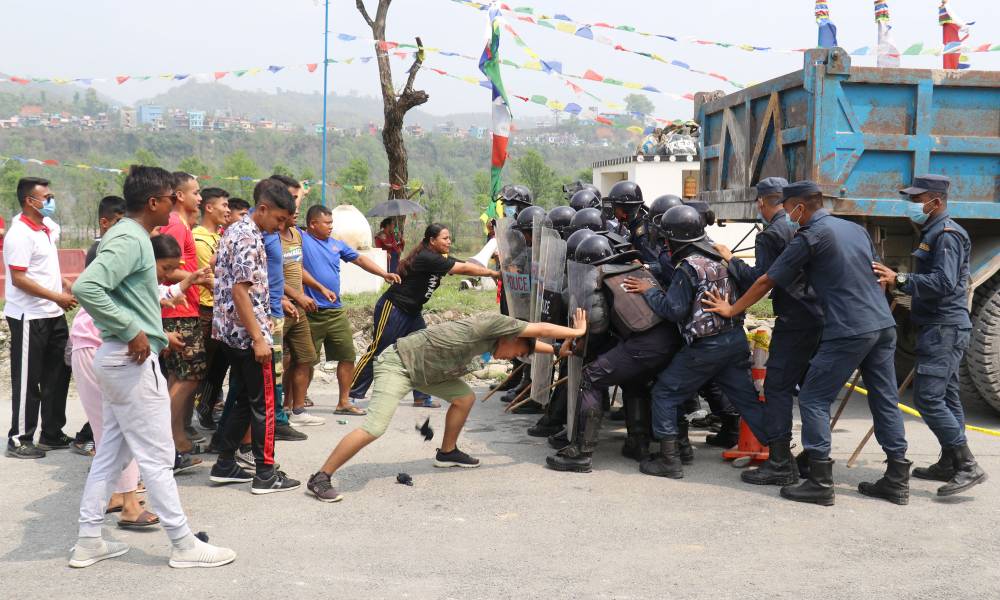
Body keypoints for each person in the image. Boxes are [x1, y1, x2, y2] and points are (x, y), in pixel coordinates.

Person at [703, 180, 910, 506]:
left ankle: (819, 480)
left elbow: (767, 279)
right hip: (882, 324)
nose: (787, 215)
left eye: (789, 209)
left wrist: (732, 308)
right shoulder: (854, 229)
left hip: (848, 328)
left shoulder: (811, 236)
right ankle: (897, 478)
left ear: (799, 207)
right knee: (884, 399)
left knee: (813, 397)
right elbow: (877, 276)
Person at [70, 165, 234, 568]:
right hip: (128, 359)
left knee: (111, 454)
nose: (179, 202)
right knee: (158, 456)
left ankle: (89, 540)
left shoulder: (136, 237)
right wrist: (131, 331)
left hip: (120, 359)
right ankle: (183, 544)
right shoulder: (129, 237)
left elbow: (137, 294)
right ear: (154, 202)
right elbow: (86, 287)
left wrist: (173, 292)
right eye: (173, 196)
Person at [306, 309, 589, 502]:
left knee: (464, 398)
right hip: (399, 364)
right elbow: (540, 329)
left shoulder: (497, 337)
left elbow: (530, 342)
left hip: (429, 373)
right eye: (517, 353)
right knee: (375, 427)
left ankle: (448, 451)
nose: (511, 358)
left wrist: (554, 350)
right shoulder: (493, 323)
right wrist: (576, 332)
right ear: (513, 336)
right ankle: (320, 478)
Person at [622, 205, 766, 480]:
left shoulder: (688, 267)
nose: (664, 242)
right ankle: (782, 456)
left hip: (706, 346)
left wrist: (650, 290)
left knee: (664, 393)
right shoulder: (721, 256)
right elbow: (751, 285)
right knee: (746, 400)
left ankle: (669, 460)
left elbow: (673, 310)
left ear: (675, 239)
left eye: (666, 238)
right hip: (734, 338)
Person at [872, 174, 987, 497]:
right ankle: (949, 462)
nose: (914, 205)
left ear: (936, 201)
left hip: (944, 327)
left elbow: (945, 283)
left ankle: (967, 465)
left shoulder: (947, 234)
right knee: (948, 396)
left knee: (928, 397)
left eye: (918, 199)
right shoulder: (934, 230)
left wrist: (902, 280)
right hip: (938, 325)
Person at [715, 177, 824, 487]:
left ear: (762, 203)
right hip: (819, 314)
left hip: (794, 318)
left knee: (776, 387)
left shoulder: (771, 235)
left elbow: (759, 280)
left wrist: (730, 259)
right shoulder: (803, 227)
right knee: (813, 391)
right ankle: (813, 457)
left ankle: (779, 462)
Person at [547, 235, 682, 473]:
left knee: (591, 377)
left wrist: (582, 349)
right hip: (670, 340)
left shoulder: (598, 278)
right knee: (634, 378)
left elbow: (597, 329)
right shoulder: (634, 269)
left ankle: (581, 453)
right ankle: (638, 442)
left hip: (645, 343)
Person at [208, 178, 300, 494]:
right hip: (248, 335)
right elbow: (240, 291)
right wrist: (259, 339)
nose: (280, 227)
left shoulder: (235, 231)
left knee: (246, 401)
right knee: (264, 404)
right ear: (263, 209)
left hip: (231, 333)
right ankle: (265, 474)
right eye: (278, 220)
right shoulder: (247, 238)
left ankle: (224, 464)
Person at [70, 195, 158, 527]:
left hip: (97, 347)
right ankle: (130, 507)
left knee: (115, 435)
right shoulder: (117, 252)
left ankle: (115, 503)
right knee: (117, 432)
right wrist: (132, 330)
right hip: (97, 347)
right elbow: (87, 288)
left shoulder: (125, 247)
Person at [349, 223, 500, 408]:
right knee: (379, 350)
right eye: (445, 238)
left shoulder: (437, 257)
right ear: (432, 240)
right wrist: (493, 273)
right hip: (394, 308)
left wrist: (492, 262)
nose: (449, 241)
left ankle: (421, 397)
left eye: (449, 238)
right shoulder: (427, 258)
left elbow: (464, 264)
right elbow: (464, 270)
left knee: (423, 352)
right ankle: (352, 395)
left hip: (413, 313)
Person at [301, 204, 400, 415]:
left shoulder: (336, 245)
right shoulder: (302, 240)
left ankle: (343, 402)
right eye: (326, 223)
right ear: (312, 224)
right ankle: (299, 402)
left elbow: (360, 259)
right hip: (311, 310)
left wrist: (384, 274)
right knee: (306, 360)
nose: (330, 227)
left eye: (331, 223)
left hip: (336, 311)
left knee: (347, 355)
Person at [4, 177, 76, 459]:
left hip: (53, 313)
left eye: (51, 195)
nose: (50, 201)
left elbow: (43, 268)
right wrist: (56, 296)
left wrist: (64, 285)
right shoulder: (19, 234)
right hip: (29, 315)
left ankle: (52, 432)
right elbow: (19, 278)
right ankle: (19, 437)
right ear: (29, 201)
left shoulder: (46, 229)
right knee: (28, 379)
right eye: (46, 197)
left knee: (58, 374)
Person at [159, 172, 206, 471]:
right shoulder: (176, 225)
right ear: (179, 196)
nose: (199, 198)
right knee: (188, 376)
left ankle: (175, 438)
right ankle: (167, 441)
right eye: (195, 192)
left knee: (181, 377)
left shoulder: (182, 224)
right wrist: (199, 279)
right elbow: (167, 268)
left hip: (184, 306)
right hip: (178, 309)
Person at [192, 187, 230, 428]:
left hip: (221, 311)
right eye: (224, 206)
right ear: (209, 207)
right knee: (198, 371)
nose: (227, 210)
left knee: (217, 369)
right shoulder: (199, 240)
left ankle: (206, 410)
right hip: (206, 311)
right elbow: (210, 277)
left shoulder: (220, 237)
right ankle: (186, 421)